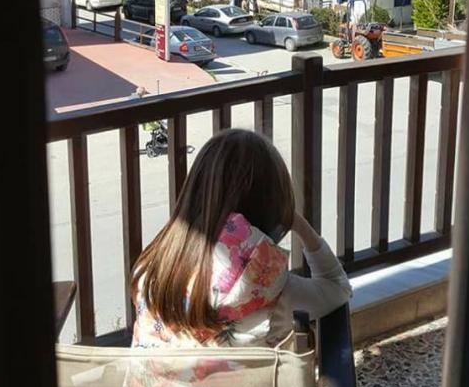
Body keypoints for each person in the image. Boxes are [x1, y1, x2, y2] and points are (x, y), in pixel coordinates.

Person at [130, 128, 351, 349]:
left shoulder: (151, 271)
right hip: (247, 374)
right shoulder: (273, 288)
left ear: (194, 193)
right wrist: (300, 225)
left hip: (155, 374)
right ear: (274, 209)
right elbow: (338, 287)